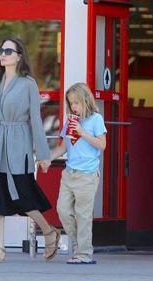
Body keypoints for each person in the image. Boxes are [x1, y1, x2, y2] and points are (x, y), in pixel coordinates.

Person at [0, 38, 60, 263]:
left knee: (23, 196)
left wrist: (43, 154)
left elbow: (35, 119)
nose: (3, 54)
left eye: (8, 50)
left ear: (19, 56)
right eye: (1, 50)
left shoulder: (28, 84)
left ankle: (49, 231)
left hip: (17, 145)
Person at [50, 82, 107, 265]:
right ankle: (77, 246)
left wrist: (82, 133)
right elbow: (64, 146)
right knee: (63, 210)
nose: (74, 107)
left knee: (82, 215)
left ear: (85, 100)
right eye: (71, 103)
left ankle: (84, 253)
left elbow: (102, 145)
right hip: (69, 173)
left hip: (87, 175)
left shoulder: (95, 119)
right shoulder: (70, 121)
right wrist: (47, 158)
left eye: (76, 103)